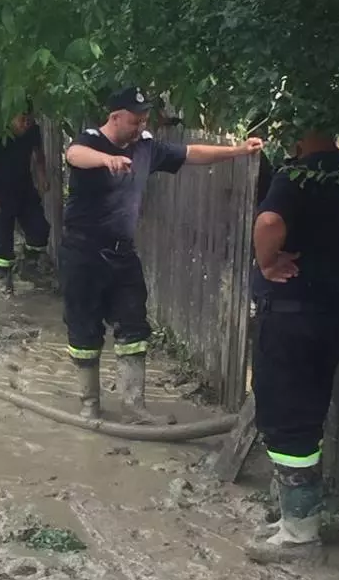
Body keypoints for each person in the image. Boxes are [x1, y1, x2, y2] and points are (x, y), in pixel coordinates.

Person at [62, 86, 263, 422]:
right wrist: (106, 159)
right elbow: (74, 155)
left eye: (144, 119)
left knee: (134, 327)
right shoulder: (92, 140)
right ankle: (89, 404)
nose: (140, 125)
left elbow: (190, 153)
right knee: (84, 327)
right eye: (134, 120)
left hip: (122, 255)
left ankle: (134, 407)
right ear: (115, 116)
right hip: (82, 253)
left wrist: (237, 151)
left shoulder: (145, 147)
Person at [247, 131, 339, 563]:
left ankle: (300, 536)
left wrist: (266, 262)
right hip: (333, 314)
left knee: (286, 421)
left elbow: (268, 223)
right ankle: (296, 519)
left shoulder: (299, 174)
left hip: (291, 317)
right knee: (309, 415)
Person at [0, 108, 50, 293]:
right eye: (22, 119)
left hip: (24, 187)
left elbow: (38, 155)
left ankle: (29, 265)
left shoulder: (33, 131)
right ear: (10, 117)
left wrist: (42, 177)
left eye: (30, 120)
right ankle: (4, 279)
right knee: (1, 241)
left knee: (39, 228)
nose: (26, 124)